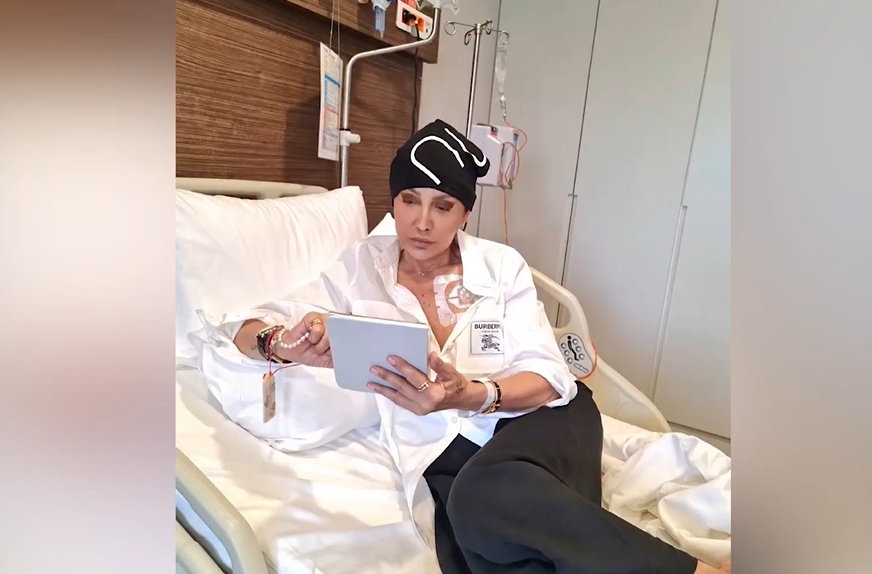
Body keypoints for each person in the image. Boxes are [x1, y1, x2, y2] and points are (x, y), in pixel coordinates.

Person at [215, 119, 730, 574]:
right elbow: (241, 327)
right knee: (474, 554)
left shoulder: (500, 266)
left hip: (541, 418)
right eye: (409, 200)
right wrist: (281, 343)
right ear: (392, 202)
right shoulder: (359, 268)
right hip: (439, 449)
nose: (422, 222)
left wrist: (471, 394)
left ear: (464, 213)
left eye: (442, 206)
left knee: (484, 496)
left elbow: (550, 376)